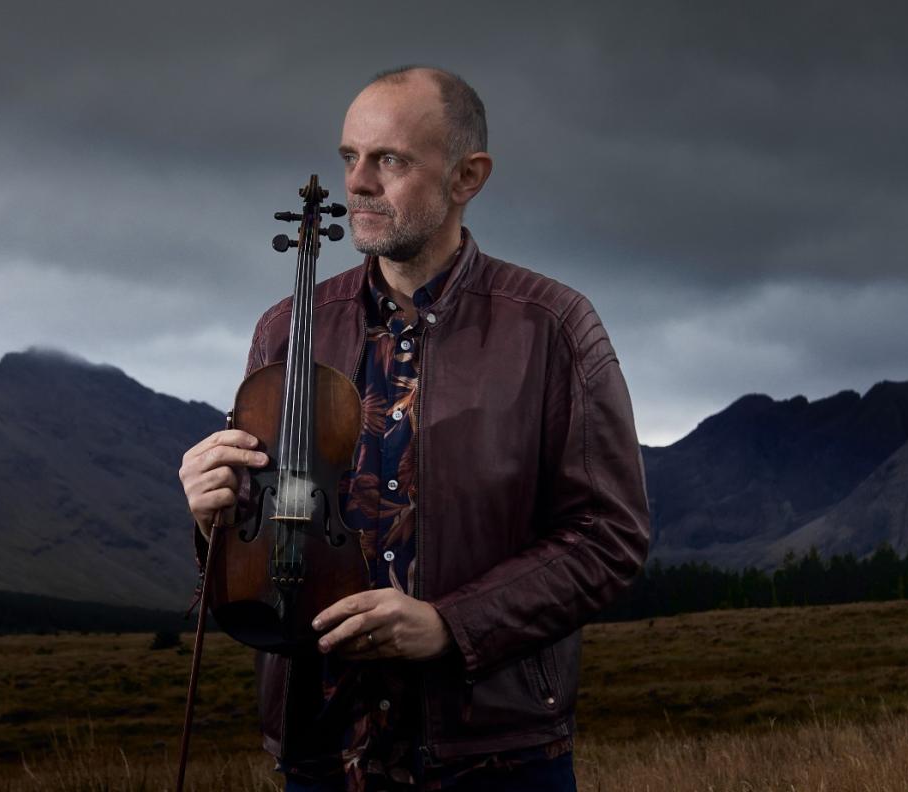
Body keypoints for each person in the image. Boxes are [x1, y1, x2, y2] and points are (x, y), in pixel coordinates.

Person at [177, 65, 650, 791]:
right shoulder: (286, 330)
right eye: (349, 157)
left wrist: (452, 626)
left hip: (495, 757)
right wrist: (212, 515)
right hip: (322, 753)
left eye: (390, 160)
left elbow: (608, 536)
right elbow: (261, 531)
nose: (358, 182)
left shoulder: (555, 328)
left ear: (468, 176)